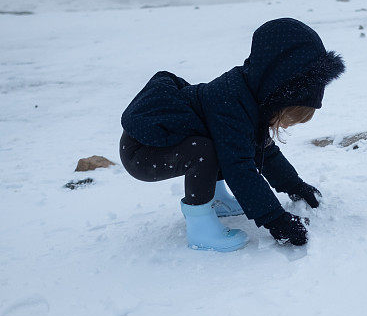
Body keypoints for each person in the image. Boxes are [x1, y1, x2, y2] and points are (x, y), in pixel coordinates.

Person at [119, 17, 345, 252]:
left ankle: (217, 199)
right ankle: (200, 227)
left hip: (164, 142)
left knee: (219, 144)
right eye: (289, 118)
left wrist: (295, 186)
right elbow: (240, 169)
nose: (288, 126)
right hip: (143, 150)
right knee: (205, 151)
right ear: (280, 93)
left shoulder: (251, 95)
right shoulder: (233, 104)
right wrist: (276, 220)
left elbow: (264, 152)